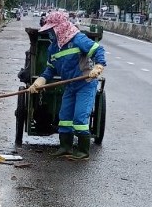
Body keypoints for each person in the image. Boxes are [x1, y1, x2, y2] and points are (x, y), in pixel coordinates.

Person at [28, 11, 107, 160]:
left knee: (79, 117)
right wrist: (38, 82)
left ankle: (83, 151)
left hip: (85, 83)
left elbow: (98, 50)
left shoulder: (78, 39)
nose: (50, 33)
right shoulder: (53, 48)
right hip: (70, 86)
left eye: (52, 30)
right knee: (64, 117)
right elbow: (49, 70)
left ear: (61, 27)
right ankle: (65, 147)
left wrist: (98, 66)